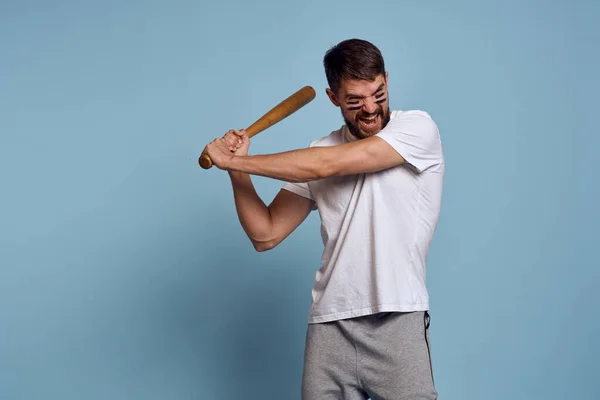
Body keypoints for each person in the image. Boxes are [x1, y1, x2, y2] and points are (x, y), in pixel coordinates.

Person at [205, 38, 444, 400]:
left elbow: (328, 165)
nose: (370, 109)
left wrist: (232, 160)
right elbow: (265, 234)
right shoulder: (319, 149)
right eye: (355, 100)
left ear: (387, 80)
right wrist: (238, 171)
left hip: (396, 320)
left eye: (377, 93)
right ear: (333, 98)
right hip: (329, 325)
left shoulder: (417, 130)